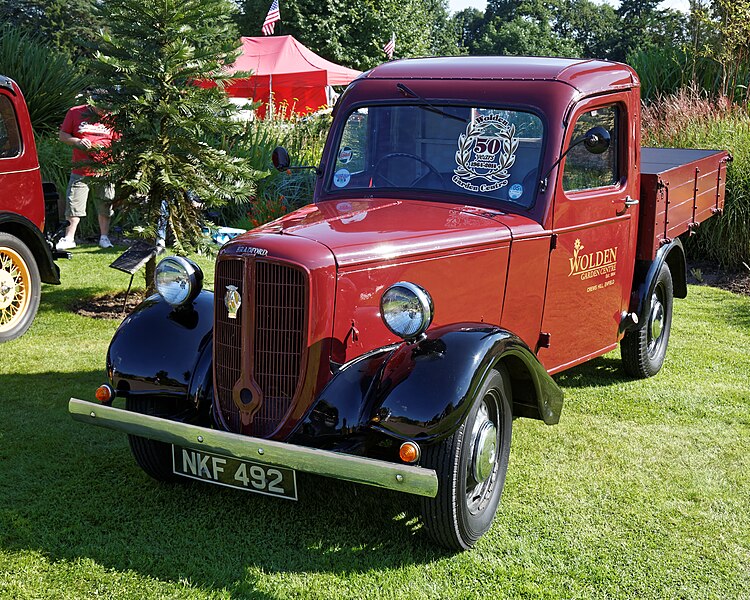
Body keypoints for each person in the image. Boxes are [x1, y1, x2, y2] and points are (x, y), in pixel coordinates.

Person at [56, 91, 118, 250]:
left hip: (105, 170)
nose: (104, 111)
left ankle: (104, 238)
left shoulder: (113, 116)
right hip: (81, 169)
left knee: (105, 204)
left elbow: (119, 141)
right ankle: (69, 238)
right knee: (74, 204)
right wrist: (77, 141)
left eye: (107, 107)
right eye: (101, 108)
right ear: (92, 103)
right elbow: (62, 136)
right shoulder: (75, 112)